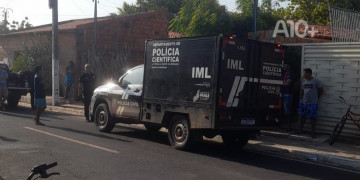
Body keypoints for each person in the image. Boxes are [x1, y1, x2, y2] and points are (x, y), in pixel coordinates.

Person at [297, 68, 324, 138]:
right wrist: (301, 100)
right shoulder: (304, 81)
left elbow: (321, 90)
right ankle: (300, 130)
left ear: (309, 74)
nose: (304, 75)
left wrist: (316, 98)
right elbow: (303, 91)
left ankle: (313, 133)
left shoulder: (315, 81)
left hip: (312, 103)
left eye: (305, 73)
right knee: (302, 117)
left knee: (313, 118)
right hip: (304, 103)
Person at [282, 63, 294, 131]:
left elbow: (287, 84)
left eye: (285, 65)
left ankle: (288, 127)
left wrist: (282, 83)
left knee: (288, 111)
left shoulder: (291, 74)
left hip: (288, 94)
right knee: (284, 111)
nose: (284, 66)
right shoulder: (284, 73)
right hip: (283, 93)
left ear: (289, 66)